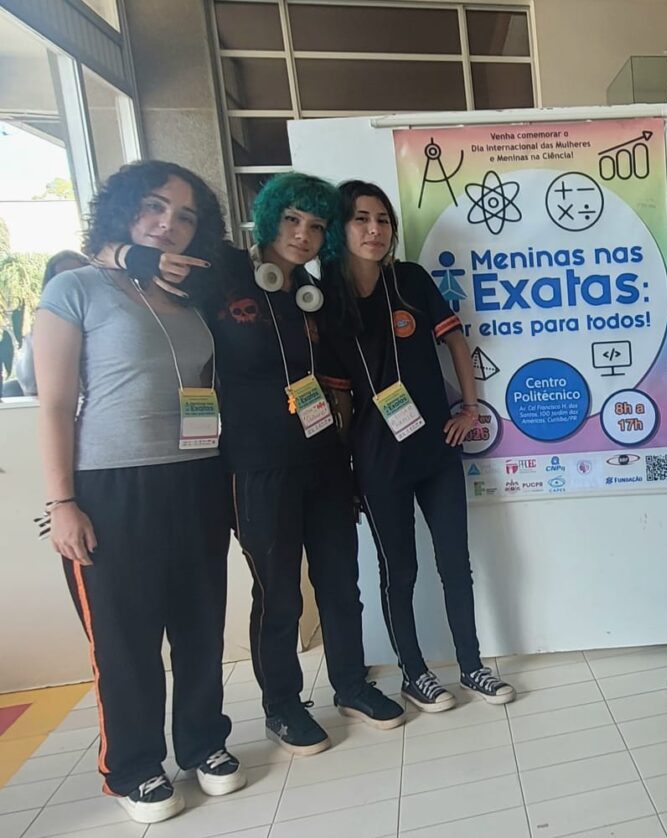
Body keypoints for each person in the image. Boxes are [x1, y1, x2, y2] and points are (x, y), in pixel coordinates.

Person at [33, 161, 244, 824]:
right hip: (110, 487)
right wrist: (62, 503)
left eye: (185, 216)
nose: (170, 224)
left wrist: (147, 256)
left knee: (199, 622)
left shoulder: (189, 295)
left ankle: (204, 742)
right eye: (154, 208)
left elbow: (239, 266)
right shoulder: (77, 288)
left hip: (197, 475)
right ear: (123, 210)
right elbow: (56, 404)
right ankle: (133, 764)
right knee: (125, 639)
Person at [208, 174, 405, 752]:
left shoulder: (312, 296)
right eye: (293, 221)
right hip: (257, 465)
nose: (303, 235)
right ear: (269, 220)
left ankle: (350, 683)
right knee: (278, 592)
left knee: (342, 581)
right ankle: (283, 705)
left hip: (324, 459)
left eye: (317, 226)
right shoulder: (224, 283)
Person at [319, 180, 514, 711]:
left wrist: (469, 409)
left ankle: (473, 666)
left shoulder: (410, 281)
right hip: (377, 457)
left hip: (435, 450)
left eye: (383, 220)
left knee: (456, 561)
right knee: (398, 569)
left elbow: (455, 339)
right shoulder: (323, 301)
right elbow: (336, 401)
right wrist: (344, 468)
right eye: (361, 219)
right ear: (340, 228)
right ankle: (415, 673)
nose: (375, 230)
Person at [13, 250, 89, 396]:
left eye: (80, 277)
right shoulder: (40, 334)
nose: (73, 287)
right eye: (64, 280)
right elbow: (31, 386)